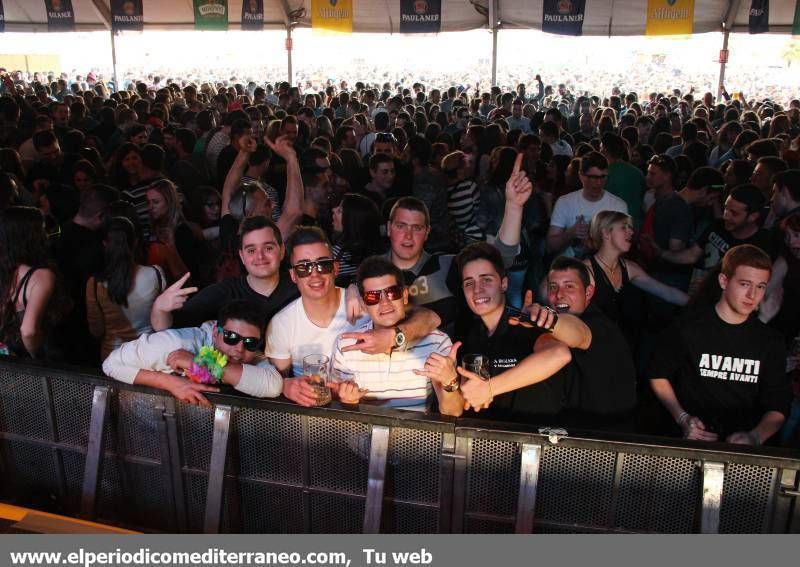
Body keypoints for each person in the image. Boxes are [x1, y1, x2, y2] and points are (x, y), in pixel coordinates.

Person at [264, 226, 441, 406]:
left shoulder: (369, 302)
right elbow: (276, 383)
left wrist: (393, 336)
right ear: (293, 275)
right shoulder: (282, 324)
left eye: (323, 264)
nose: (315, 274)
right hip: (314, 414)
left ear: (335, 268)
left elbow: (430, 318)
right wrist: (285, 386)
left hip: (368, 412)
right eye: (304, 268)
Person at [648, 245, 791, 444]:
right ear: (724, 281)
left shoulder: (770, 340)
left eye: (760, 286)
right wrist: (682, 417)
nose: (752, 295)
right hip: (690, 443)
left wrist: (756, 436)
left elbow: (779, 404)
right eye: (744, 284)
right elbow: (658, 374)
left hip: (741, 451)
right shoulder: (688, 328)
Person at [454, 243, 592, 422]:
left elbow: (559, 354)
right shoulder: (471, 335)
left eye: (486, 279)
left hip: (535, 441)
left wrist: (489, 388)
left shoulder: (526, 322)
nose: (477, 289)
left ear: (504, 284)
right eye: (469, 283)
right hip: (490, 441)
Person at [331, 256, 464, 415]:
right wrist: (348, 401)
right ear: (363, 305)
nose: (384, 302)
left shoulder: (437, 342)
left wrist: (449, 380)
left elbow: (453, 412)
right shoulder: (346, 345)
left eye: (392, 292)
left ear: (405, 296)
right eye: (373, 296)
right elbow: (336, 405)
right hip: (364, 436)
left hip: (415, 437)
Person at [103, 300, 283, 408]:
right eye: (231, 337)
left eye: (250, 342)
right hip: (144, 417)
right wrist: (171, 382)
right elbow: (110, 364)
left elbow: (273, 385)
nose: (239, 348)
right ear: (215, 331)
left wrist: (202, 365)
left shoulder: (252, 354)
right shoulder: (177, 343)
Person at [150, 215, 299, 331]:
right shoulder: (225, 292)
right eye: (251, 250)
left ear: (282, 251)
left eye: (268, 248)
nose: (260, 256)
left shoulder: (299, 284)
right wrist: (160, 308)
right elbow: (169, 326)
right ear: (242, 256)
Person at [585, 211, 688, 347]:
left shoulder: (630, 268)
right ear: (606, 233)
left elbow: (668, 293)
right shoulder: (585, 269)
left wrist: (700, 304)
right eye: (624, 227)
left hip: (624, 348)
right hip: (594, 348)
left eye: (630, 228)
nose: (631, 232)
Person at [87, 216, 165, 359]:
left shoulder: (94, 284)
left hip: (113, 356)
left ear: (105, 244)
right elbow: (163, 321)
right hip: (149, 353)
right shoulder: (155, 274)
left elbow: (96, 330)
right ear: (135, 242)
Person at [546, 151, 628, 258]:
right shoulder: (564, 202)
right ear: (581, 176)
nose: (599, 182)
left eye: (603, 177)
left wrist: (598, 241)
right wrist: (570, 233)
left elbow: (623, 249)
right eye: (593, 177)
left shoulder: (618, 206)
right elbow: (550, 246)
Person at [0, 207, 57, 359]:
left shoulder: (5, 272)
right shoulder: (41, 276)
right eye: (42, 229)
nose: (46, 234)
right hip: (31, 367)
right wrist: (34, 358)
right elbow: (28, 331)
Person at [331, 193, 384, 287]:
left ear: (351, 222)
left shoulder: (333, 256)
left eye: (339, 211)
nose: (333, 210)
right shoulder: (380, 257)